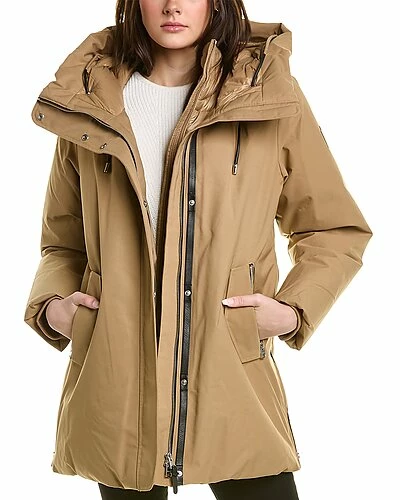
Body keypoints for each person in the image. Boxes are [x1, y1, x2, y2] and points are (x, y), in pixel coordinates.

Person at [23, 0, 373, 499]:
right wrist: (55, 307)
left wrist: (293, 310)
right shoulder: (92, 102)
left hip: (230, 373)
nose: (172, 6)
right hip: (117, 380)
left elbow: (334, 228)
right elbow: (62, 240)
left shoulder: (265, 94)